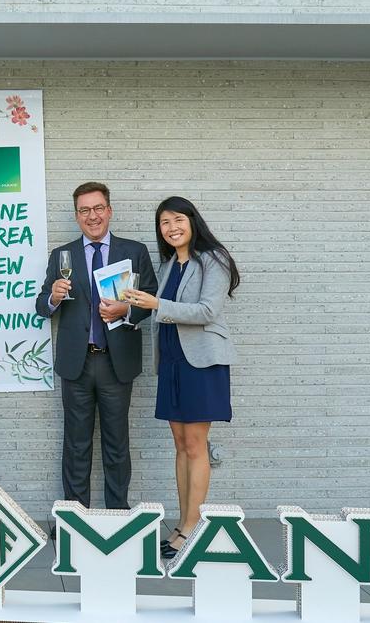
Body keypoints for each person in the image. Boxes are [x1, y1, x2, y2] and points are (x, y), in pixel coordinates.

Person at [123, 196, 240, 559]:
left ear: (192, 221)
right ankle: (182, 523)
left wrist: (156, 304)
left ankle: (192, 527)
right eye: (164, 223)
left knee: (195, 444)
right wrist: (128, 308)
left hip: (202, 362)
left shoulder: (214, 260)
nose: (171, 228)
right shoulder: (170, 264)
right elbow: (160, 311)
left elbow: (207, 311)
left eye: (177, 220)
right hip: (172, 361)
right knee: (180, 444)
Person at [35, 182, 158, 509]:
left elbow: (150, 300)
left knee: (117, 445)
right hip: (76, 363)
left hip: (117, 363)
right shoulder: (62, 255)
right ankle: (75, 518)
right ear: (77, 216)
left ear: (109, 211)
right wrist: (53, 297)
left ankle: (118, 515)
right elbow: (41, 306)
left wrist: (126, 310)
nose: (93, 216)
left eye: (98, 208)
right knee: (76, 445)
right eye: (85, 210)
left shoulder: (134, 252)